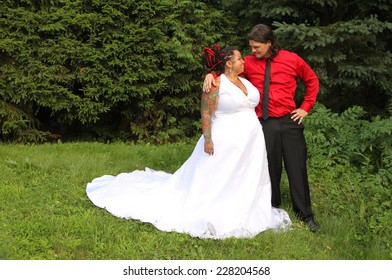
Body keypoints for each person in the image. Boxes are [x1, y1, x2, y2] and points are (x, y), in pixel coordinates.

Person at [86, 44, 291, 239]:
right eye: (239, 58)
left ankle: (248, 206)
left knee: (246, 174)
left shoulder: (244, 80)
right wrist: (208, 139)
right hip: (225, 138)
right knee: (219, 175)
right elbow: (206, 113)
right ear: (229, 63)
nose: (243, 60)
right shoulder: (216, 84)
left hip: (251, 140)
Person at [203, 24, 321, 232]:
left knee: (297, 168)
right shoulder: (247, 62)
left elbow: (311, 80)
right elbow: (228, 69)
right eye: (251, 47)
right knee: (269, 167)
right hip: (264, 123)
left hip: (290, 121)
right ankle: (271, 207)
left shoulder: (292, 59)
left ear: (269, 43)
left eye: (257, 47)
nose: (253, 51)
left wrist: (305, 107)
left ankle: (305, 215)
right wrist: (211, 74)